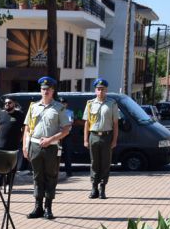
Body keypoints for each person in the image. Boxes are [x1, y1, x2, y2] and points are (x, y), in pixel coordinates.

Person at [22, 77, 71, 220]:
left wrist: (51, 139)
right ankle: (38, 207)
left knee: (50, 176)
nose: (45, 92)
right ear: (40, 90)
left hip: (51, 147)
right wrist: (26, 146)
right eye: (43, 89)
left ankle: (48, 207)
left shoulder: (59, 108)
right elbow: (27, 128)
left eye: (48, 89)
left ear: (52, 91)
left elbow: (66, 129)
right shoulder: (33, 107)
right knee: (37, 177)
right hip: (35, 145)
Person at [83, 78, 119, 199]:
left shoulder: (112, 104)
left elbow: (115, 124)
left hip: (107, 136)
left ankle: (102, 188)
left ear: (106, 90)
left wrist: (114, 140)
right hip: (93, 135)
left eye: (102, 89)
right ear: (95, 91)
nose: (100, 91)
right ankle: (94, 188)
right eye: (98, 89)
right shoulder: (90, 104)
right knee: (94, 163)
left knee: (105, 163)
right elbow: (87, 123)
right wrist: (85, 139)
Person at [59, 98, 74, 178]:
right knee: (57, 153)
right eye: (61, 103)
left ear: (66, 104)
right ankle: (55, 170)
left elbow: (70, 122)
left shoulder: (70, 112)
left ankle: (69, 171)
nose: (62, 104)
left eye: (64, 103)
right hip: (58, 135)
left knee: (67, 153)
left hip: (67, 135)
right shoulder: (56, 111)